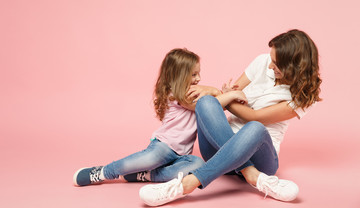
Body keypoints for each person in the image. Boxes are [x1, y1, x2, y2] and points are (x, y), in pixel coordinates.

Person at [139, 29, 322, 206]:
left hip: (261, 159)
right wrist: (216, 93)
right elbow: (229, 95)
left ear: (294, 67)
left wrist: (221, 94)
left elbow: (253, 116)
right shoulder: (262, 61)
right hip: (218, 147)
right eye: (271, 59)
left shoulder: (304, 96)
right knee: (205, 103)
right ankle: (250, 174)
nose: (269, 65)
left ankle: (187, 184)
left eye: (276, 63)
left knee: (255, 127)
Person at [73, 48, 247, 186]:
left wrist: (224, 93)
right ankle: (103, 172)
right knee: (149, 159)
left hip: (182, 154)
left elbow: (212, 110)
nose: (199, 78)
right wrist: (226, 94)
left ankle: (147, 175)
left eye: (199, 73)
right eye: (194, 74)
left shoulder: (195, 93)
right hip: (164, 146)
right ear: (178, 76)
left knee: (198, 165)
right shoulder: (177, 94)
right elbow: (209, 103)